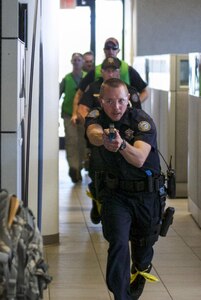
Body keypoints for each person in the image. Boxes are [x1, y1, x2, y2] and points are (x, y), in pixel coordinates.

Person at [85, 78, 165, 299]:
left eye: (120, 100)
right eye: (109, 101)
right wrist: (104, 139)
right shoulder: (96, 116)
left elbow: (139, 158)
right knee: (119, 243)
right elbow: (93, 133)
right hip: (116, 195)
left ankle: (141, 269)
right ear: (101, 101)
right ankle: (121, 296)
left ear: (128, 99)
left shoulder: (141, 121)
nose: (116, 107)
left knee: (143, 248)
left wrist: (120, 145)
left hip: (146, 195)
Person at [78, 57, 141, 225]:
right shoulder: (93, 88)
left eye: (114, 70)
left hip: (125, 145)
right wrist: (93, 126)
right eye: (107, 70)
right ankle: (98, 200)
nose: (111, 73)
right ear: (102, 71)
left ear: (119, 72)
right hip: (100, 145)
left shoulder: (131, 90)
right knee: (98, 176)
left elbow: (137, 115)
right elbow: (82, 109)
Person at [71, 37, 148, 126]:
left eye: (113, 48)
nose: (111, 74)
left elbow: (144, 94)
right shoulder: (94, 80)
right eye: (108, 48)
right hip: (99, 123)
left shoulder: (128, 70)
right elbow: (81, 100)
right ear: (102, 72)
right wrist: (91, 124)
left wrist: (127, 103)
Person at [59, 53, 87, 183]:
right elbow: (57, 95)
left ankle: (80, 166)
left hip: (83, 115)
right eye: (74, 60)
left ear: (83, 62)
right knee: (71, 141)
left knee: (82, 141)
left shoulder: (87, 78)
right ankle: (74, 168)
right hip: (68, 115)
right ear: (71, 61)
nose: (76, 62)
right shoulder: (67, 79)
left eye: (79, 60)